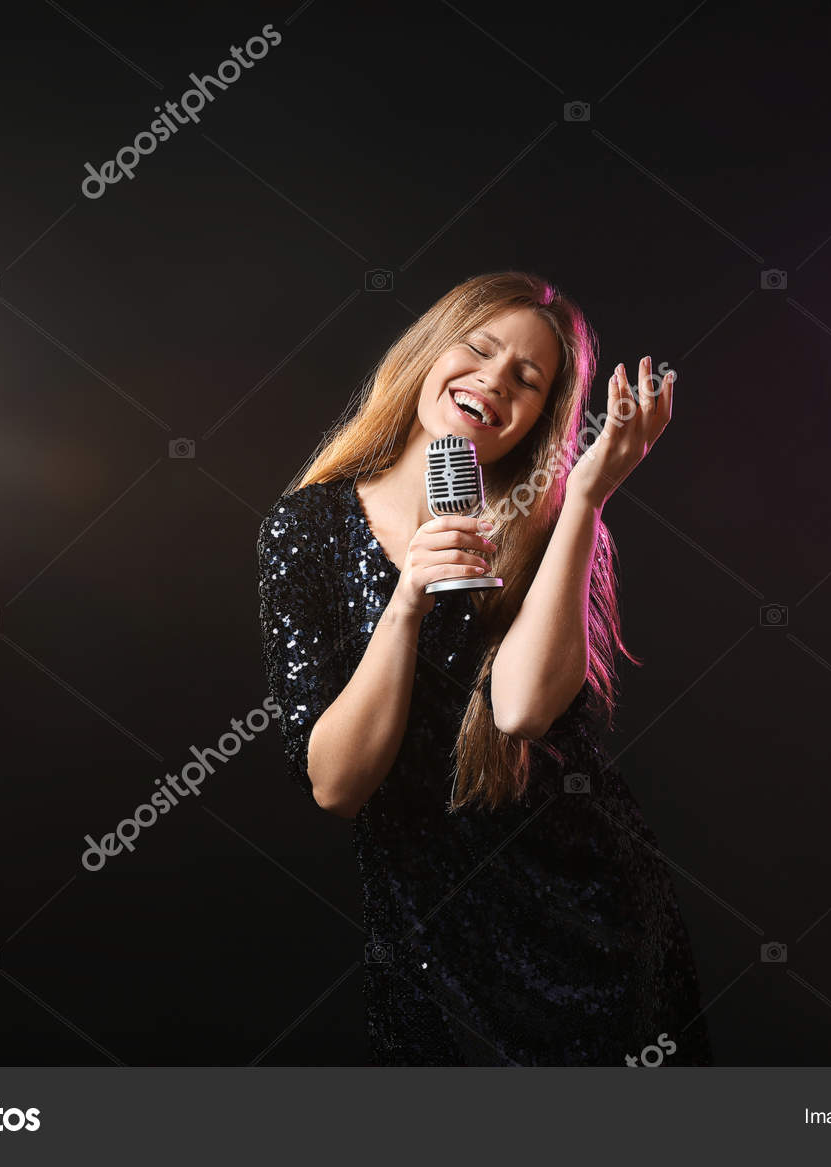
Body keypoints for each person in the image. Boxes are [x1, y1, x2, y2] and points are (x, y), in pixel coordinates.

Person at [256, 270, 713, 1065]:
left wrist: (584, 499)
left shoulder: (549, 528)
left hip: (592, 930)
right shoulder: (307, 528)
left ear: (538, 418)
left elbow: (522, 711)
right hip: (428, 941)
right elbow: (336, 784)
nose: (493, 381)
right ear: (430, 352)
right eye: (479, 349)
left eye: (526, 380)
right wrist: (406, 604)